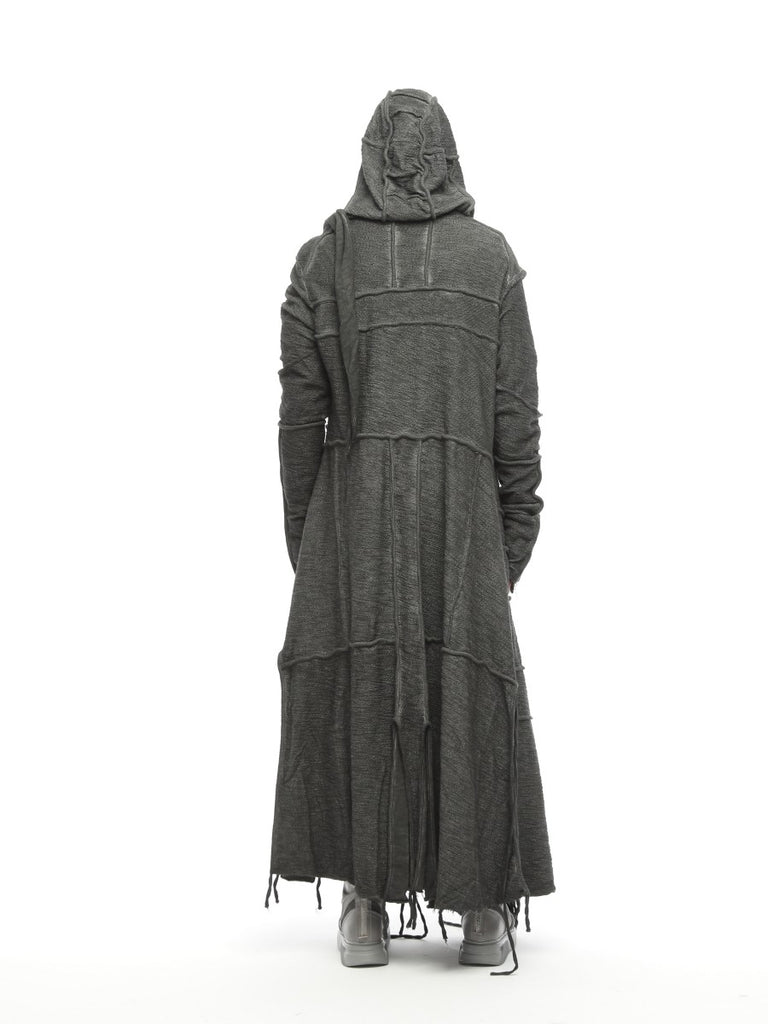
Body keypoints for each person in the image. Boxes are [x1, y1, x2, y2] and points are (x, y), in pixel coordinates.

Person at [265, 88, 555, 977]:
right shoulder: (490, 258)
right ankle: (479, 909)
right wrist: (507, 545)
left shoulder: (325, 259)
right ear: (448, 156)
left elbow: (298, 422)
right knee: (465, 688)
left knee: (365, 687)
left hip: (352, 519)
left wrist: (313, 543)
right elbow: (518, 421)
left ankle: (366, 901)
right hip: (462, 523)